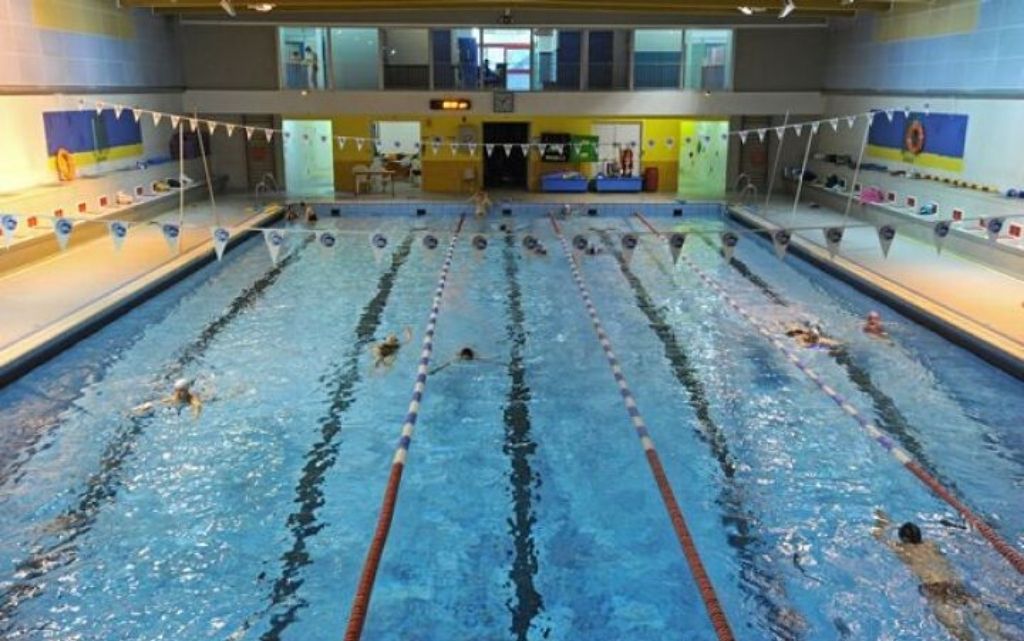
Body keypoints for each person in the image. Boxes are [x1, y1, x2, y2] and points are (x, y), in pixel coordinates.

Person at [872, 510, 1009, 641]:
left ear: (904, 539)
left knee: (962, 635)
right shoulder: (932, 544)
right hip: (956, 585)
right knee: (993, 630)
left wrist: (882, 519)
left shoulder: (902, 549)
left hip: (935, 590)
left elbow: (879, 536)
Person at [132, 378, 203, 419]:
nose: (178, 393)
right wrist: (141, 408)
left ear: (187, 390)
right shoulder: (174, 397)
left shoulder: (192, 398)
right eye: (177, 390)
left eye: (181, 391)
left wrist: (195, 417)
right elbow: (157, 403)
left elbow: (197, 405)